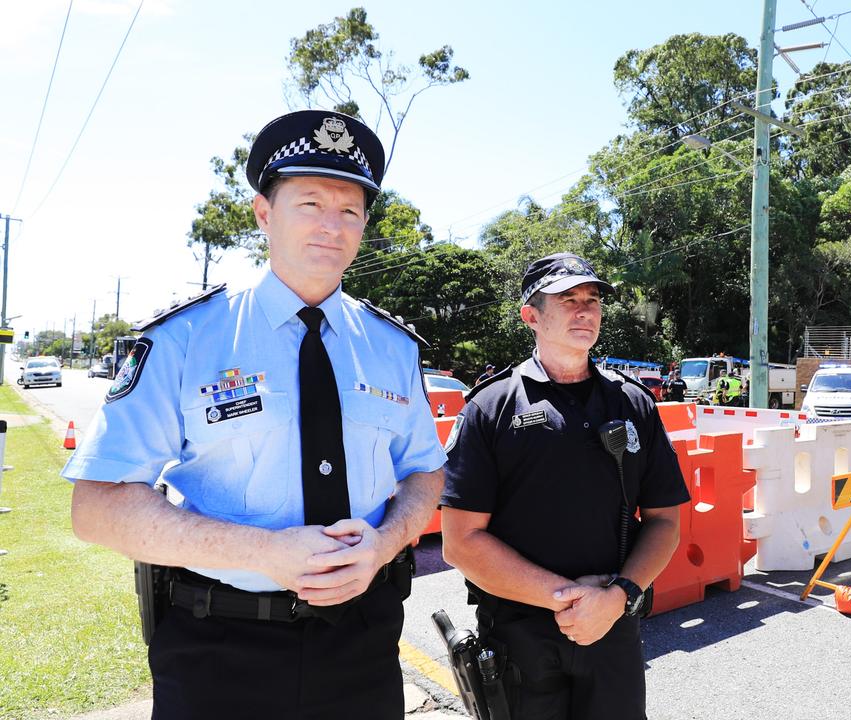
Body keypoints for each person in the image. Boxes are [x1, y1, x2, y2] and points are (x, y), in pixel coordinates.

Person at [63, 110, 447, 720]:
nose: (332, 225)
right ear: (264, 214)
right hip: (220, 652)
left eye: (350, 211)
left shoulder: (392, 347)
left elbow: (426, 476)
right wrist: (266, 552)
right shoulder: (187, 338)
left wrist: (384, 543)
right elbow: (99, 505)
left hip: (365, 646)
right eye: (310, 203)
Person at [441, 252, 690, 720]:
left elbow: (664, 520)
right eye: (567, 299)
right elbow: (461, 542)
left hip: (613, 625)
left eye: (592, 299)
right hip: (520, 634)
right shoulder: (491, 407)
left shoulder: (634, 402)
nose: (584, 310)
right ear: (530, 316)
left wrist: (615, 598)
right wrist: (572, 601)